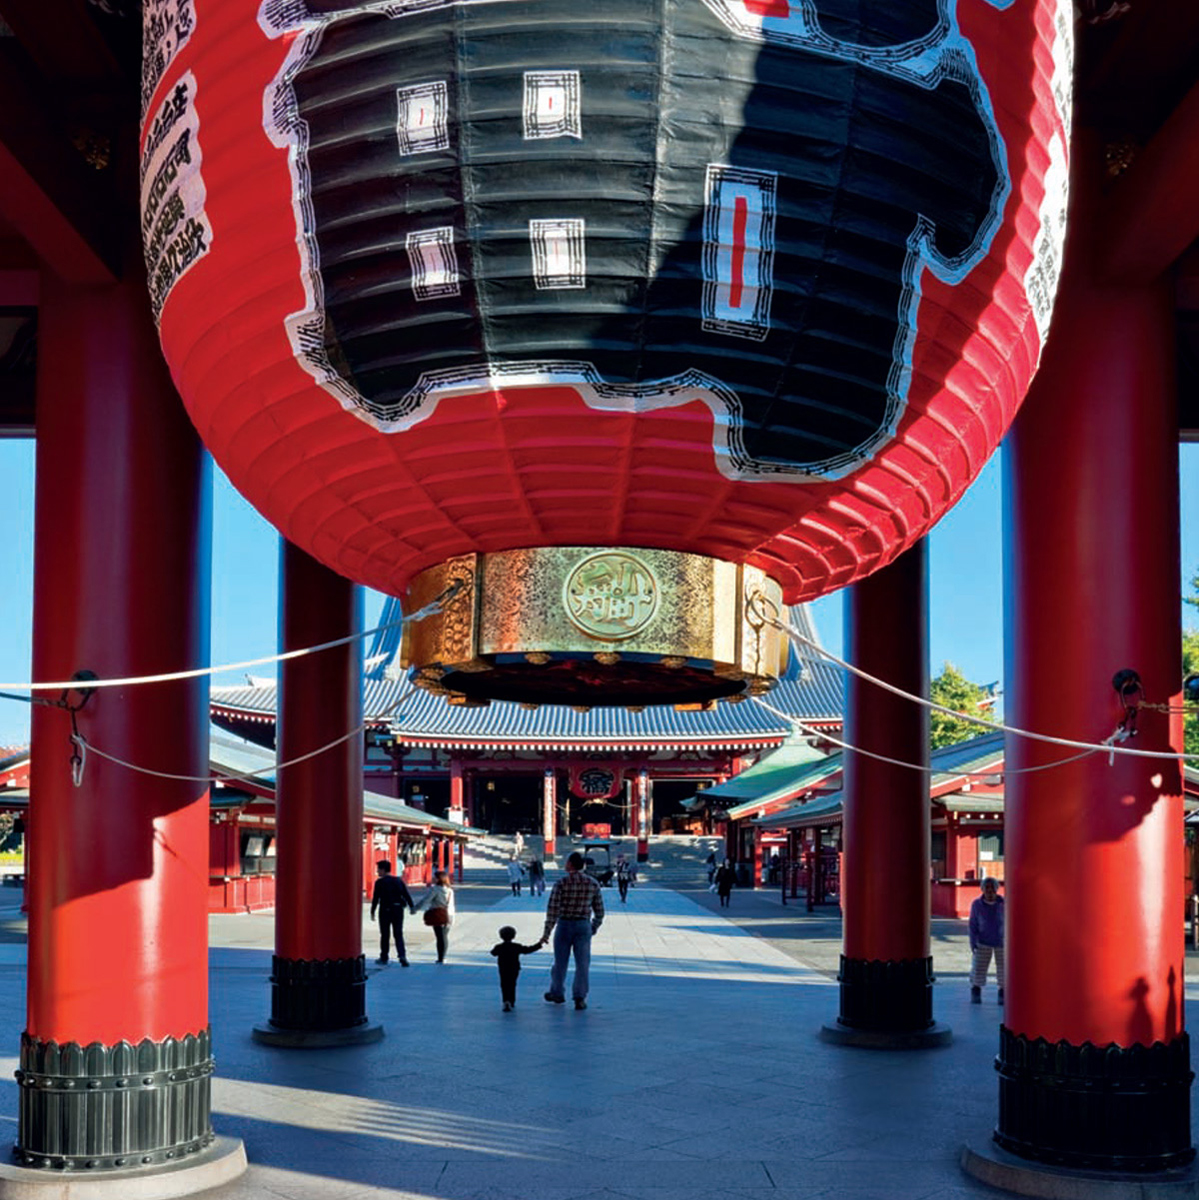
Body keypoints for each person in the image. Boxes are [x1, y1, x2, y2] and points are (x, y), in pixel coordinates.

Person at [539, 850, 604, 1010]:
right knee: (582, 963)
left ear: (570, 864)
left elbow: (552, 910)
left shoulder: (561, 883)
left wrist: (546, 933)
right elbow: (600, 911)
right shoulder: (593, 883)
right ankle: (579, 997)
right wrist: (593, 927)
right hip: (583, 925)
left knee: (560, 962)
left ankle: (557, 992)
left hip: (564, 924)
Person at [370, 859, 415, 966]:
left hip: (385, 909)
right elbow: (406, 894)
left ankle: (384, 956)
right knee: (398, 933)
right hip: (398, 909)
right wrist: (411, 907)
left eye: (378, 870)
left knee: (385, 934)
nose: (377, 872)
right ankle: (402, 955)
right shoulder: (398, 881)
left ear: (383, 870)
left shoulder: (380, 882)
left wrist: (373, 911)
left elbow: (376, 898)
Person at [968, 876, 1005, 1004]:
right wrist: (973, 942)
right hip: (982, 941)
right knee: (978, 968)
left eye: (992, 888)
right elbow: (973, 924)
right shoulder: (977, 904)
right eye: (987, 888)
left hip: (1002, 942)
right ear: (982, 889)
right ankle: (976, 990)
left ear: (997, 889)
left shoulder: (1004, 903)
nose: (990, 891)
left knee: (1003, 968)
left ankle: (1003, 992)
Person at [490, 925, 542, 1012]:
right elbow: (528, 950)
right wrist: (539, 944)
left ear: (500, 936)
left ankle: (505, 1000)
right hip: (514, 968)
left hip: (503, 969)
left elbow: (493, 953)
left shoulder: (499, 947)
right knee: (512, 984)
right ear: (514, 936)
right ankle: (511, 1001)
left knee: (504, 984)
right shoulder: (516, 946)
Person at [416, 869, 455, 962]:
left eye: (435, 877)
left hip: (438, 914)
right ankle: (443, 956)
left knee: (439, 937)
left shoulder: (435, 890)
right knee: (444, 936)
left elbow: (426, 900)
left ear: (438, 879)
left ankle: (440, 957)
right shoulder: (450, 890)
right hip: (449, 914)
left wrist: (415, 908)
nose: (433, 878)